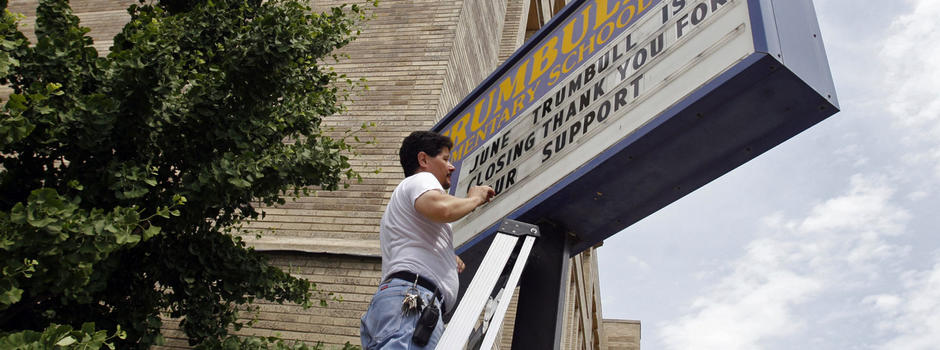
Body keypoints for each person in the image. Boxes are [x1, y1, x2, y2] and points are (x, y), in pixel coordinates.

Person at [360, 131, 496, 349]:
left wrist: (446, 257)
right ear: (423, 160)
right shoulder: (421, 179)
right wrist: (475, 198)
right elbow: (441, 209)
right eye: (445, 159)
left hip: (401, 303)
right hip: (413, 302)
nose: (451, 167)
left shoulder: (402, 202)